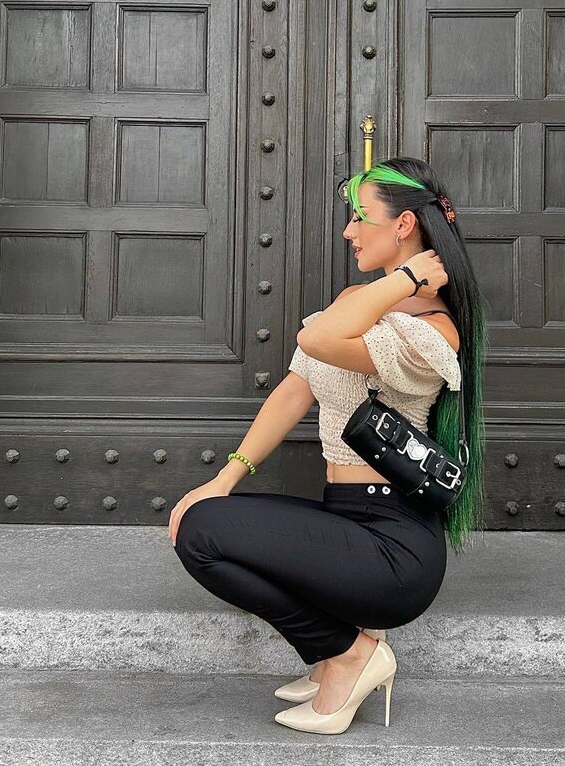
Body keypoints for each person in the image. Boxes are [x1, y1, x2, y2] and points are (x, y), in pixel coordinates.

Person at [169, 157, 487, 734]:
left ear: (404, 225)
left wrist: (408, 280)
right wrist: (223, 479)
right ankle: (333, 652)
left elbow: (319, 338)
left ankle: (351, 655)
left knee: (203, 535)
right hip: (347, 519)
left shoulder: (433, 332)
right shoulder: (359, 302)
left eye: (360, 216)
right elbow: (295, 391)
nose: (348, 230)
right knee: (202, 519)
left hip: (393, 548)